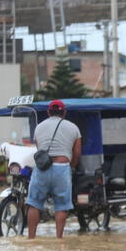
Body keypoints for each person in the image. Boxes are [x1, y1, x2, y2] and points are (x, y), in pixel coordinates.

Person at [26, 100, 82, 239]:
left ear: (48, 112)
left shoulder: (39, 127)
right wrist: (72, 165)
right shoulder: (74, 128)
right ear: (64, 112)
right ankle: (59, 239)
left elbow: (39, 150)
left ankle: (31, 239)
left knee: (34, 204)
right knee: (61, 206)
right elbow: (77, 152)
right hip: (62, 169)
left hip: (42, 169)